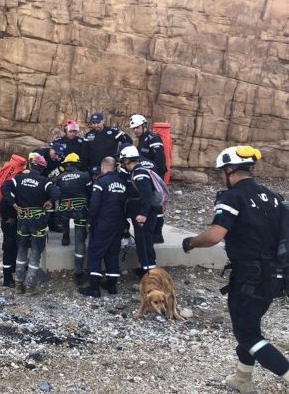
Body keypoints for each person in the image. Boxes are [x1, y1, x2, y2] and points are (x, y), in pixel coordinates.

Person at [182, 146, 289, 393]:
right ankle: (242, 379)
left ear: (230, 170)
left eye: (222, 172)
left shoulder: (232, 197)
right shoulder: (272, 196)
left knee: (248, 334)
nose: (222, 176)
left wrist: (191, 242)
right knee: (249, 326)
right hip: (275, 276)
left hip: (249, 277)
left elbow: (214, 236)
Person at [1, 155, 61, 295]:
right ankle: (30, 287)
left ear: (30, 165)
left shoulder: (19, 179)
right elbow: (57, 192)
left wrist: (14, 204)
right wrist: (50, 201)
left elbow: (5, 187)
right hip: (37, 221)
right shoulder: (43, 181)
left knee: (21, 251)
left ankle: (18, 285)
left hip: (23, 220)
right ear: (42, 168)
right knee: (35, 253)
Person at [79, 157, 127, 297]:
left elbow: (94, 204)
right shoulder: (122, 183)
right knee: (112, 254)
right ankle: (112, 286)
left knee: (95, 253)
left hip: (102, 224)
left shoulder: (100, 183)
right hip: (117, 224)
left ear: (102, 166)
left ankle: (94, 288)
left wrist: (89, 220)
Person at [117, 145, 157, 277]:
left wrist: (143, 214)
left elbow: (146, 195)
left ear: (128, 160)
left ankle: (150, 274)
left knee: (145, 244)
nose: (123, 164)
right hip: (140, 215)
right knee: (141, 242)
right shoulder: (134, 173)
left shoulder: (140, 173)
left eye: (123, 161)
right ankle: (145, 268)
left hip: (144, 216)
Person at [55, 153, 93, 285]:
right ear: (77, 165)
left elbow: (59, 195)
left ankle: (65, 237)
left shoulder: (60, 177)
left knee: (65, 217)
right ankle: (78, 274)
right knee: (79, 241)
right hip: (80, 210)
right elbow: (90, 193)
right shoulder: (84, 176)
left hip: (65, 207)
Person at [130, 114, 167, 244]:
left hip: (154, 176)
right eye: (133, 128)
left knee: (156, 205)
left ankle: (158, 233)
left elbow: (160, 161)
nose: (135, 130)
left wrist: (157, 179)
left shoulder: (153, 138)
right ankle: (154, 232)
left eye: (137, 127)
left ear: (144, 125)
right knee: (151, 203)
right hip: (147, 176)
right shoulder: (142, 139)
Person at [34, 143, 65, 232]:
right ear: (51, 150)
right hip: (38, 177)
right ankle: (37, 225)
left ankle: (52, 225)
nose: (56, 156)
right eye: (55, 154)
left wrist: (56, 178)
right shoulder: (40, 153)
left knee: (51, 201)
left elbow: (61, 168)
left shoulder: (60, 158)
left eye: (59, 154)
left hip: (50, 179)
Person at [0, 194, 18, 288]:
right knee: (8, 249)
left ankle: (14, 267)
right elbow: (3, 205)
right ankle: (7, 278)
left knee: (15, 247)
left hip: (14, 223)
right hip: (9, 224)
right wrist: (7, 218)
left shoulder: (16, 192)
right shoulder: (9, 195)